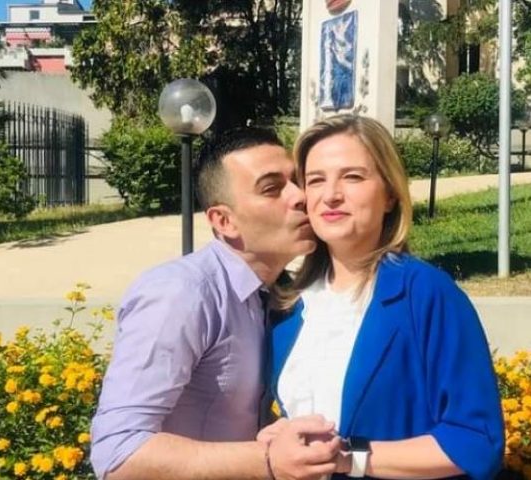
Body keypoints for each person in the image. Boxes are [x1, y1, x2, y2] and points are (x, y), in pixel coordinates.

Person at [91, 128, 344, 480]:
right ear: (224, 221)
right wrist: (267, 459)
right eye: (271, 188)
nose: (300, 196)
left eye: (297, 181)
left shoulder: (280, 293)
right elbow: (118, 453)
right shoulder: (181, 293)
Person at [264, 115, 505, 480]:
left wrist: (348, 458)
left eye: (353, 177)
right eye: (316, 180)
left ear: (390, 194)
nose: (331, 194)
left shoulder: (426, 295)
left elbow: (476, 441)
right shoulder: (290, 305)